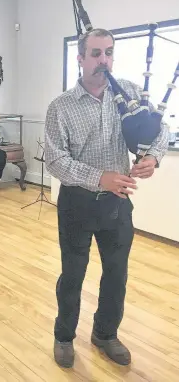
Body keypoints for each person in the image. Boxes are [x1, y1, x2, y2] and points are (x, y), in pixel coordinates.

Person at [44, 28, 168, 368]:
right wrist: (100, 177)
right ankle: (64, 336)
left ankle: (105, 333)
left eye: (109, 53)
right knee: (73, 274)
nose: (104, 60)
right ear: (80, 58)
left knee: (116, 273)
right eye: (96, 53)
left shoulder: (128, 93)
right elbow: (56, 160)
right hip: (77, 204)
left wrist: (153, 157)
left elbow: (161, 129)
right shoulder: (61, 107)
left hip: (118, 204)